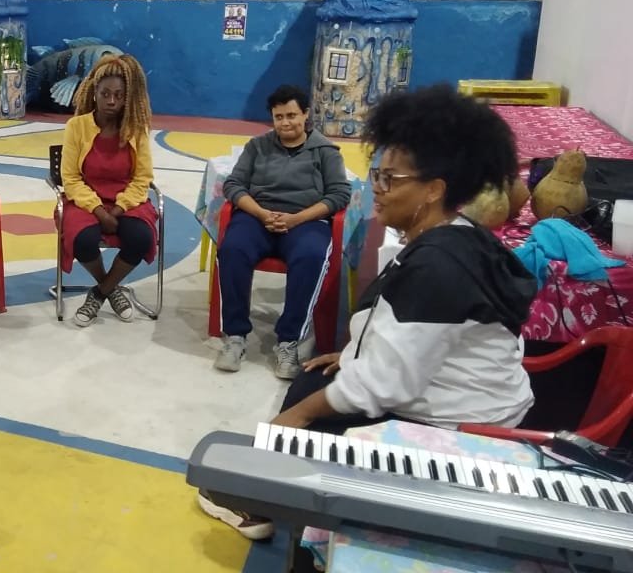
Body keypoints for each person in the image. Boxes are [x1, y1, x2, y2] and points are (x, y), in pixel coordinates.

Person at [198, 84, 536, 540]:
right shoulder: (453, 233)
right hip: (450, 395)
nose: (375, 189)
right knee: (314, 377)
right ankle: (274, 499)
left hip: (456, 424)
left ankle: (274, 509)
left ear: (433, 190)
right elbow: (415, 334)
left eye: (389, 179)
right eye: (378, 174)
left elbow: (382, 384)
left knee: (303, 408)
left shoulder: (438, 265)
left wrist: (296, 419)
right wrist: (355, 351)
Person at [214, 85, 351, 379]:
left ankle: (288, 341)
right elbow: (233, 185)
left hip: (305, 221)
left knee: (312, 256)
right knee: (232, 249)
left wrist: (296, 219)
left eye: (291, 115)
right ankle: (235, 336)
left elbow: (339, 195)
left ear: (305, 114)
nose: (285, 122)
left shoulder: (326, 152)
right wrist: (262, 214)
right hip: (258, 218)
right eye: (279, 117)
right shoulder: (257, 146)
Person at [58, 54, 158, 327]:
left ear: (127, 98)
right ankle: (111, 288)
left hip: (128, 199)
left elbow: (142, 178)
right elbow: (70, 178)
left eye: (118, 95)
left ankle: (99, 293)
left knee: (140, 238)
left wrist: (119, 208)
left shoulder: (137, 129)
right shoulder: (76, 127)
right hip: (85, 199)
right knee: (82, 240)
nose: (111, 101)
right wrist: (99, 211)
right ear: (94, 94)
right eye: (105, 94)